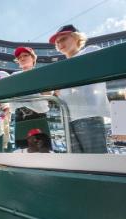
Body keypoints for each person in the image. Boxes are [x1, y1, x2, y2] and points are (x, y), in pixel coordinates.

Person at [49, 24, 110, 153]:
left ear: (76, 37)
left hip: (90, 116)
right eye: (57, 42)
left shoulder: (90, 51)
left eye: (63, 39)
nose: (60, 44)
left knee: (97, 162)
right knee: (79, 164)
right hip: (68, 120)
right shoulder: (60, 67)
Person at [11, 46, 50, 148]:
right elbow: (10, 101)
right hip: (20, 117)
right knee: (22, 150)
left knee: (44, 150)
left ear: (33, 58)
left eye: (25, 55)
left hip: (39, 116)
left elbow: (48, 94)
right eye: (19, 57)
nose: (22, 58)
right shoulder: (14, 76)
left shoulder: (42, 73)